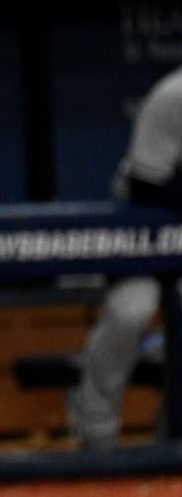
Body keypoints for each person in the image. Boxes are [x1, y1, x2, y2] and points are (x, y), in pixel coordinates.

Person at [67, 65, 182, 452]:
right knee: (130, 311)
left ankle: (173, 436)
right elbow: (148, 184)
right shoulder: (173, 94)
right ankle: (95, 429)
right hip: (146, 226)